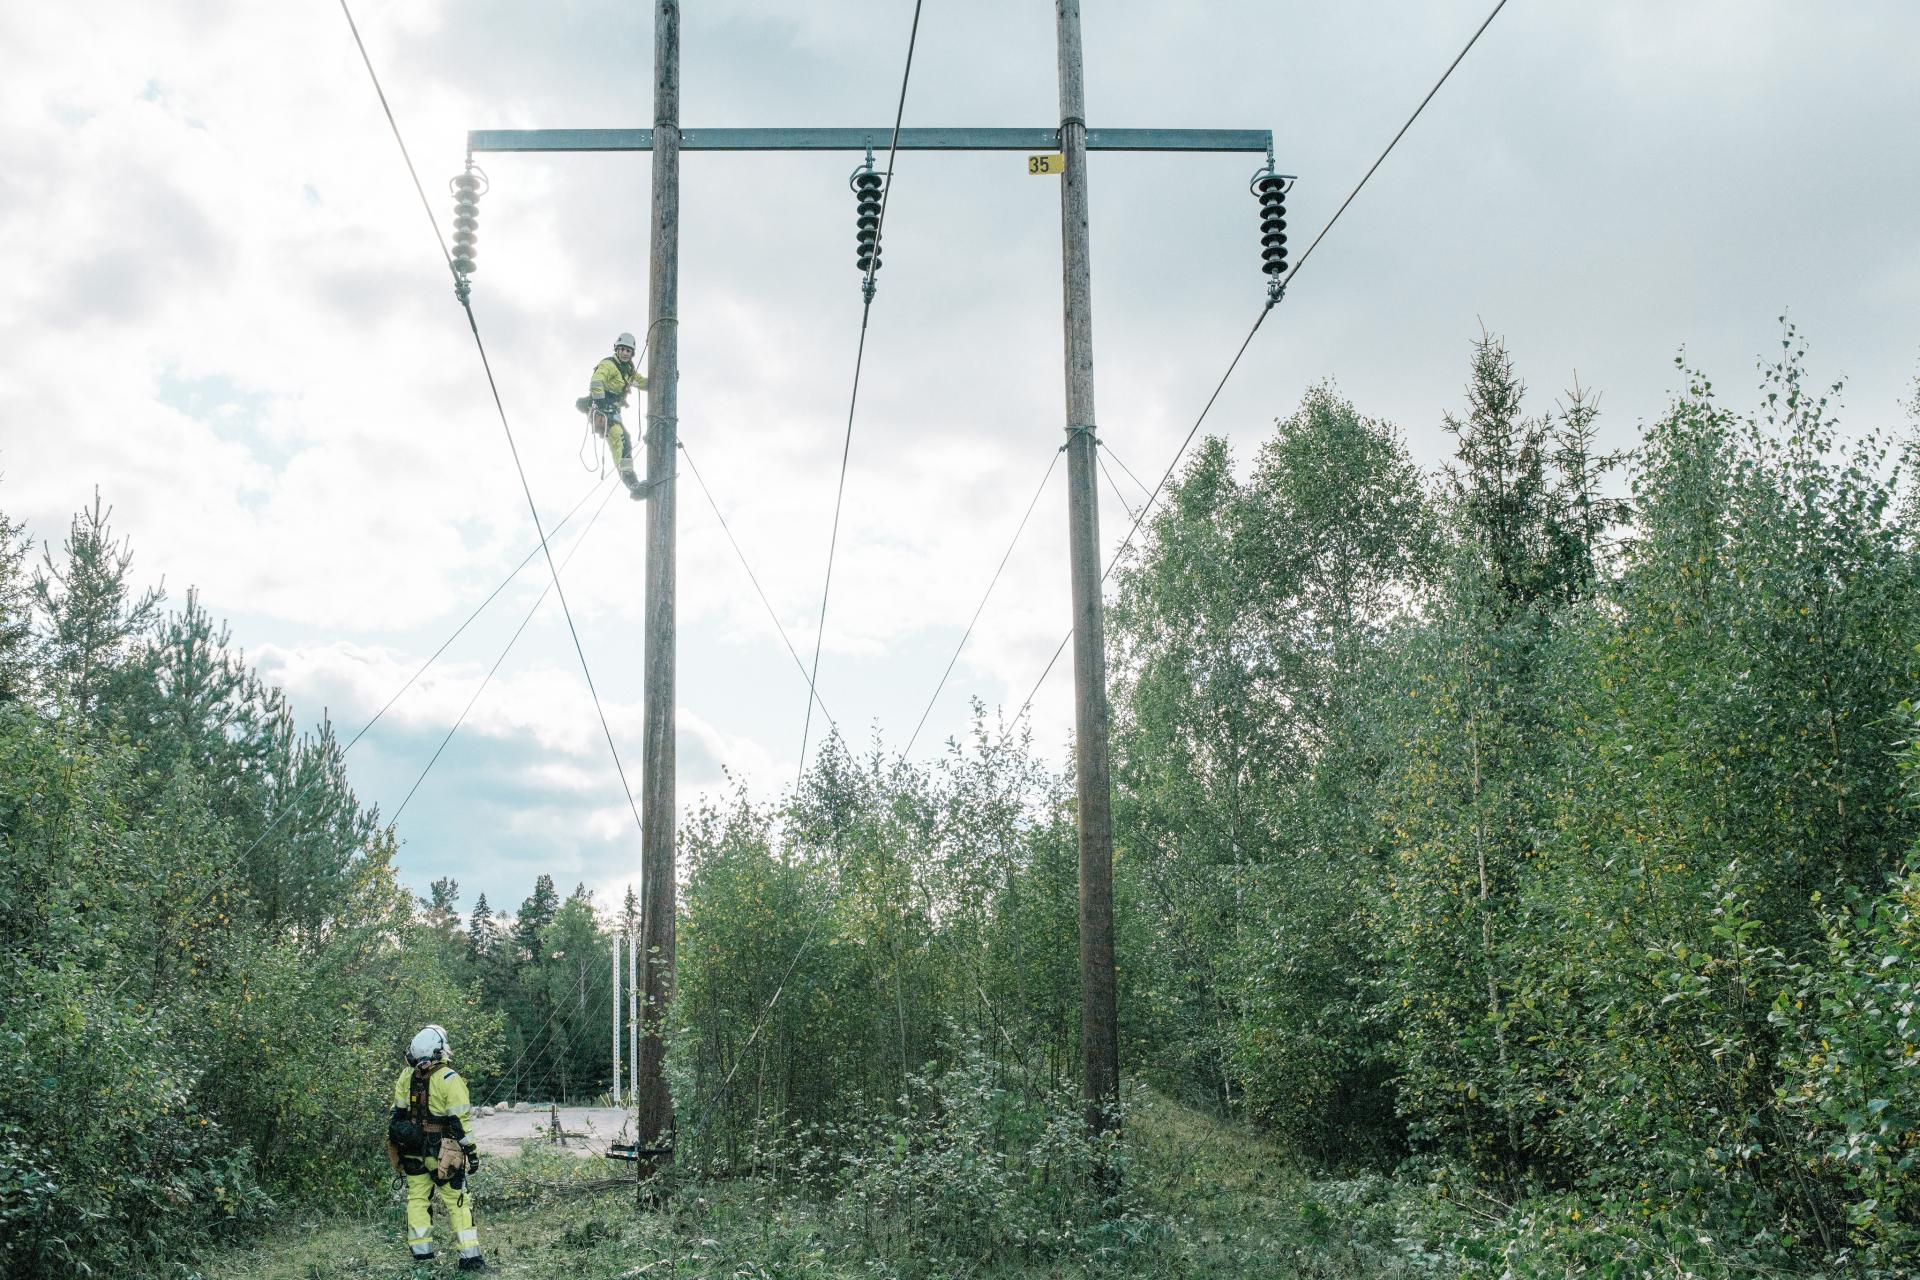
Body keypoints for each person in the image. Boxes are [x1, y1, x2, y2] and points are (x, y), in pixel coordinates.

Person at [386, 1024, 485, 1270]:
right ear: (439, 1049)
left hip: (411, 1151)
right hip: (443, 1153)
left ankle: (422, 1258)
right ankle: (470, 1259)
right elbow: (460, 1123)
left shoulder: (405, 1076)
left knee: (417, 1200)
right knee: (457, 1201)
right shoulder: (449, 1078)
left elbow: (396, 1115)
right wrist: (472, 1154)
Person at [577, 332, 650, 499]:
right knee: (620, 439)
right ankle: (632, 483)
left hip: (612, 412)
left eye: (628, 351)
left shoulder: (628, 371)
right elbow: (597, 381)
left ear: (632, 353)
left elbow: (643, 383)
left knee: (625, 441)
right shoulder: (608, 364)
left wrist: (667, 378)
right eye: (622, 349)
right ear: (617, 349)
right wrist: (601, 404)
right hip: (601, 411)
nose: (625, 353)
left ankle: (632, 482)